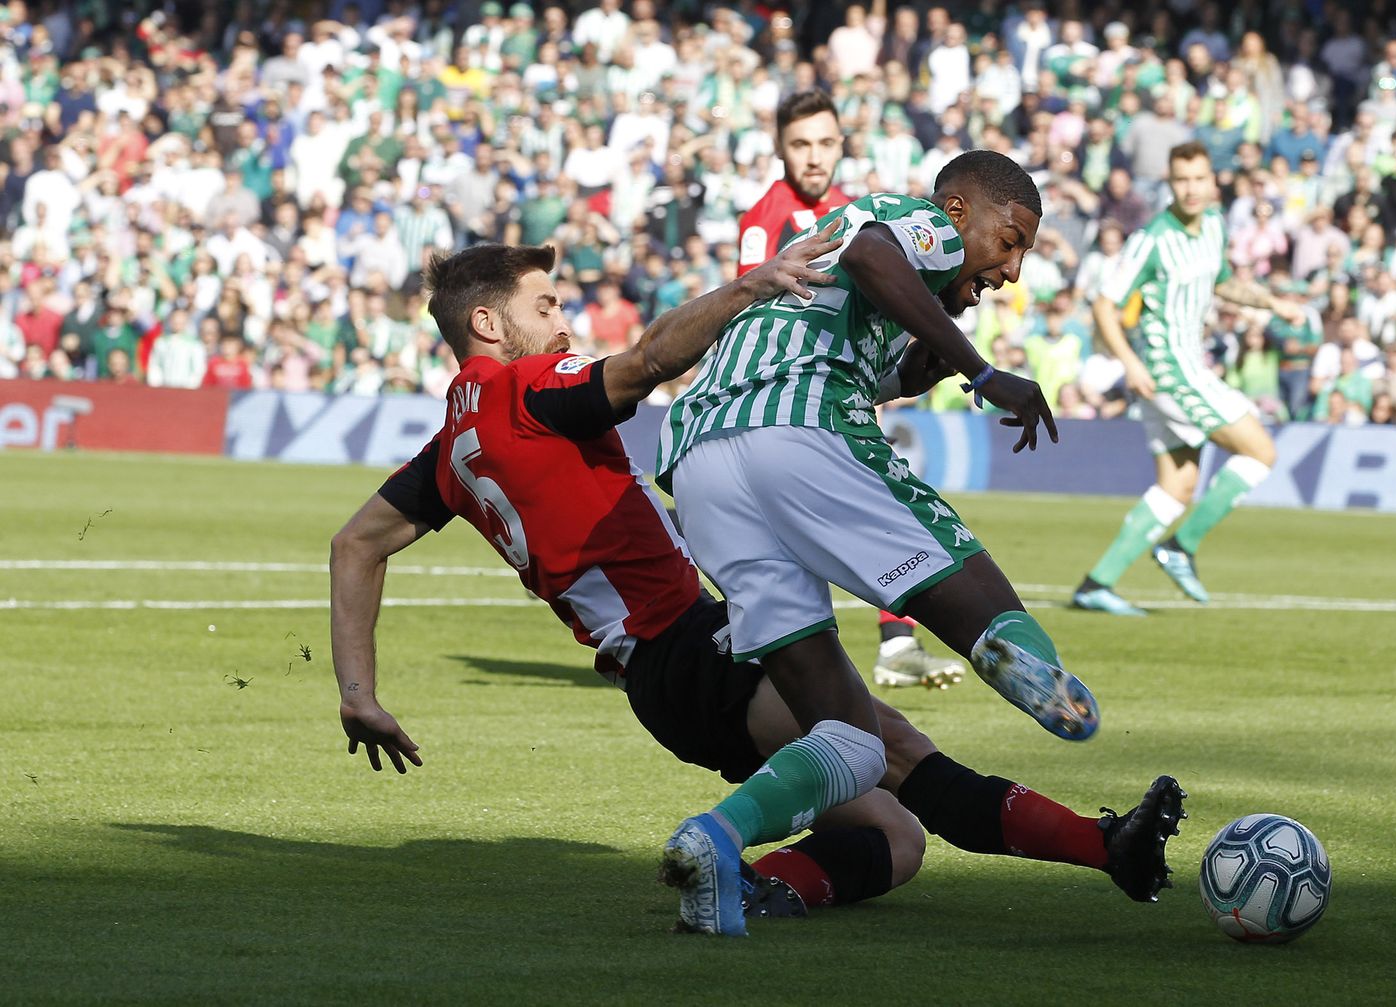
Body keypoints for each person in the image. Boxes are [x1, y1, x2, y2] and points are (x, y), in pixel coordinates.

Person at [329, 238, 1187, 938]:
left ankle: (738, 882)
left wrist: (359, 693)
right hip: (689, 645)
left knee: (894, 838)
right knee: (885, 746)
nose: (563, 322)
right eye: (545, 306)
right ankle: (1107, 846)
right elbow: (645, 363)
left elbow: (355, 546)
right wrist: (750, 287)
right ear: (487, 321)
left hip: (658, 674)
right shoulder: (521, 389)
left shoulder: (450, 449)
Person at [656, 150, 1111, 928]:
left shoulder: (833, 269)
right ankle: (1016, 648)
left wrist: (913, 375)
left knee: (851, 741)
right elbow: (874, 254)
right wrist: (980, 371)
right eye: (1011, 241)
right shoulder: (920, 218)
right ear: (963, 212)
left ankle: (717, 837)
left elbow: (832, 328)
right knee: (957, 569)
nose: (1011, 269)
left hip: (700, 466)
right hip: (797, 428)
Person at [738, 89, 963, 691]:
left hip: (852, 386)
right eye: (800, 144)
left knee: (881, 509)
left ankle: (893, 644)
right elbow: (746, 307)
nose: (814, 157)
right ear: (780, 148)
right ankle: (834, 653)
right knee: (845, 517)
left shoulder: (857, 210)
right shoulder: (764, 221)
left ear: (842, 144)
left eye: (825, 143)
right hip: (794, 398)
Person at [1072, 142, 1306, 616]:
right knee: (1260, 451)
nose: (1191, 189)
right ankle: (1182, 546)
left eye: (1199, 179)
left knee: (1178, 485)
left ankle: (1097, 583)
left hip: (1180, 370)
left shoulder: (1215, 226)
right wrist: (1130, 363)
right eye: (1181, 180)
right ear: (1170, 184)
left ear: (1212, 182)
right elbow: (1103, 304)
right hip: (1170, 370)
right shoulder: (1153, 239)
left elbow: (1220, 281)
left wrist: (1271, 303)